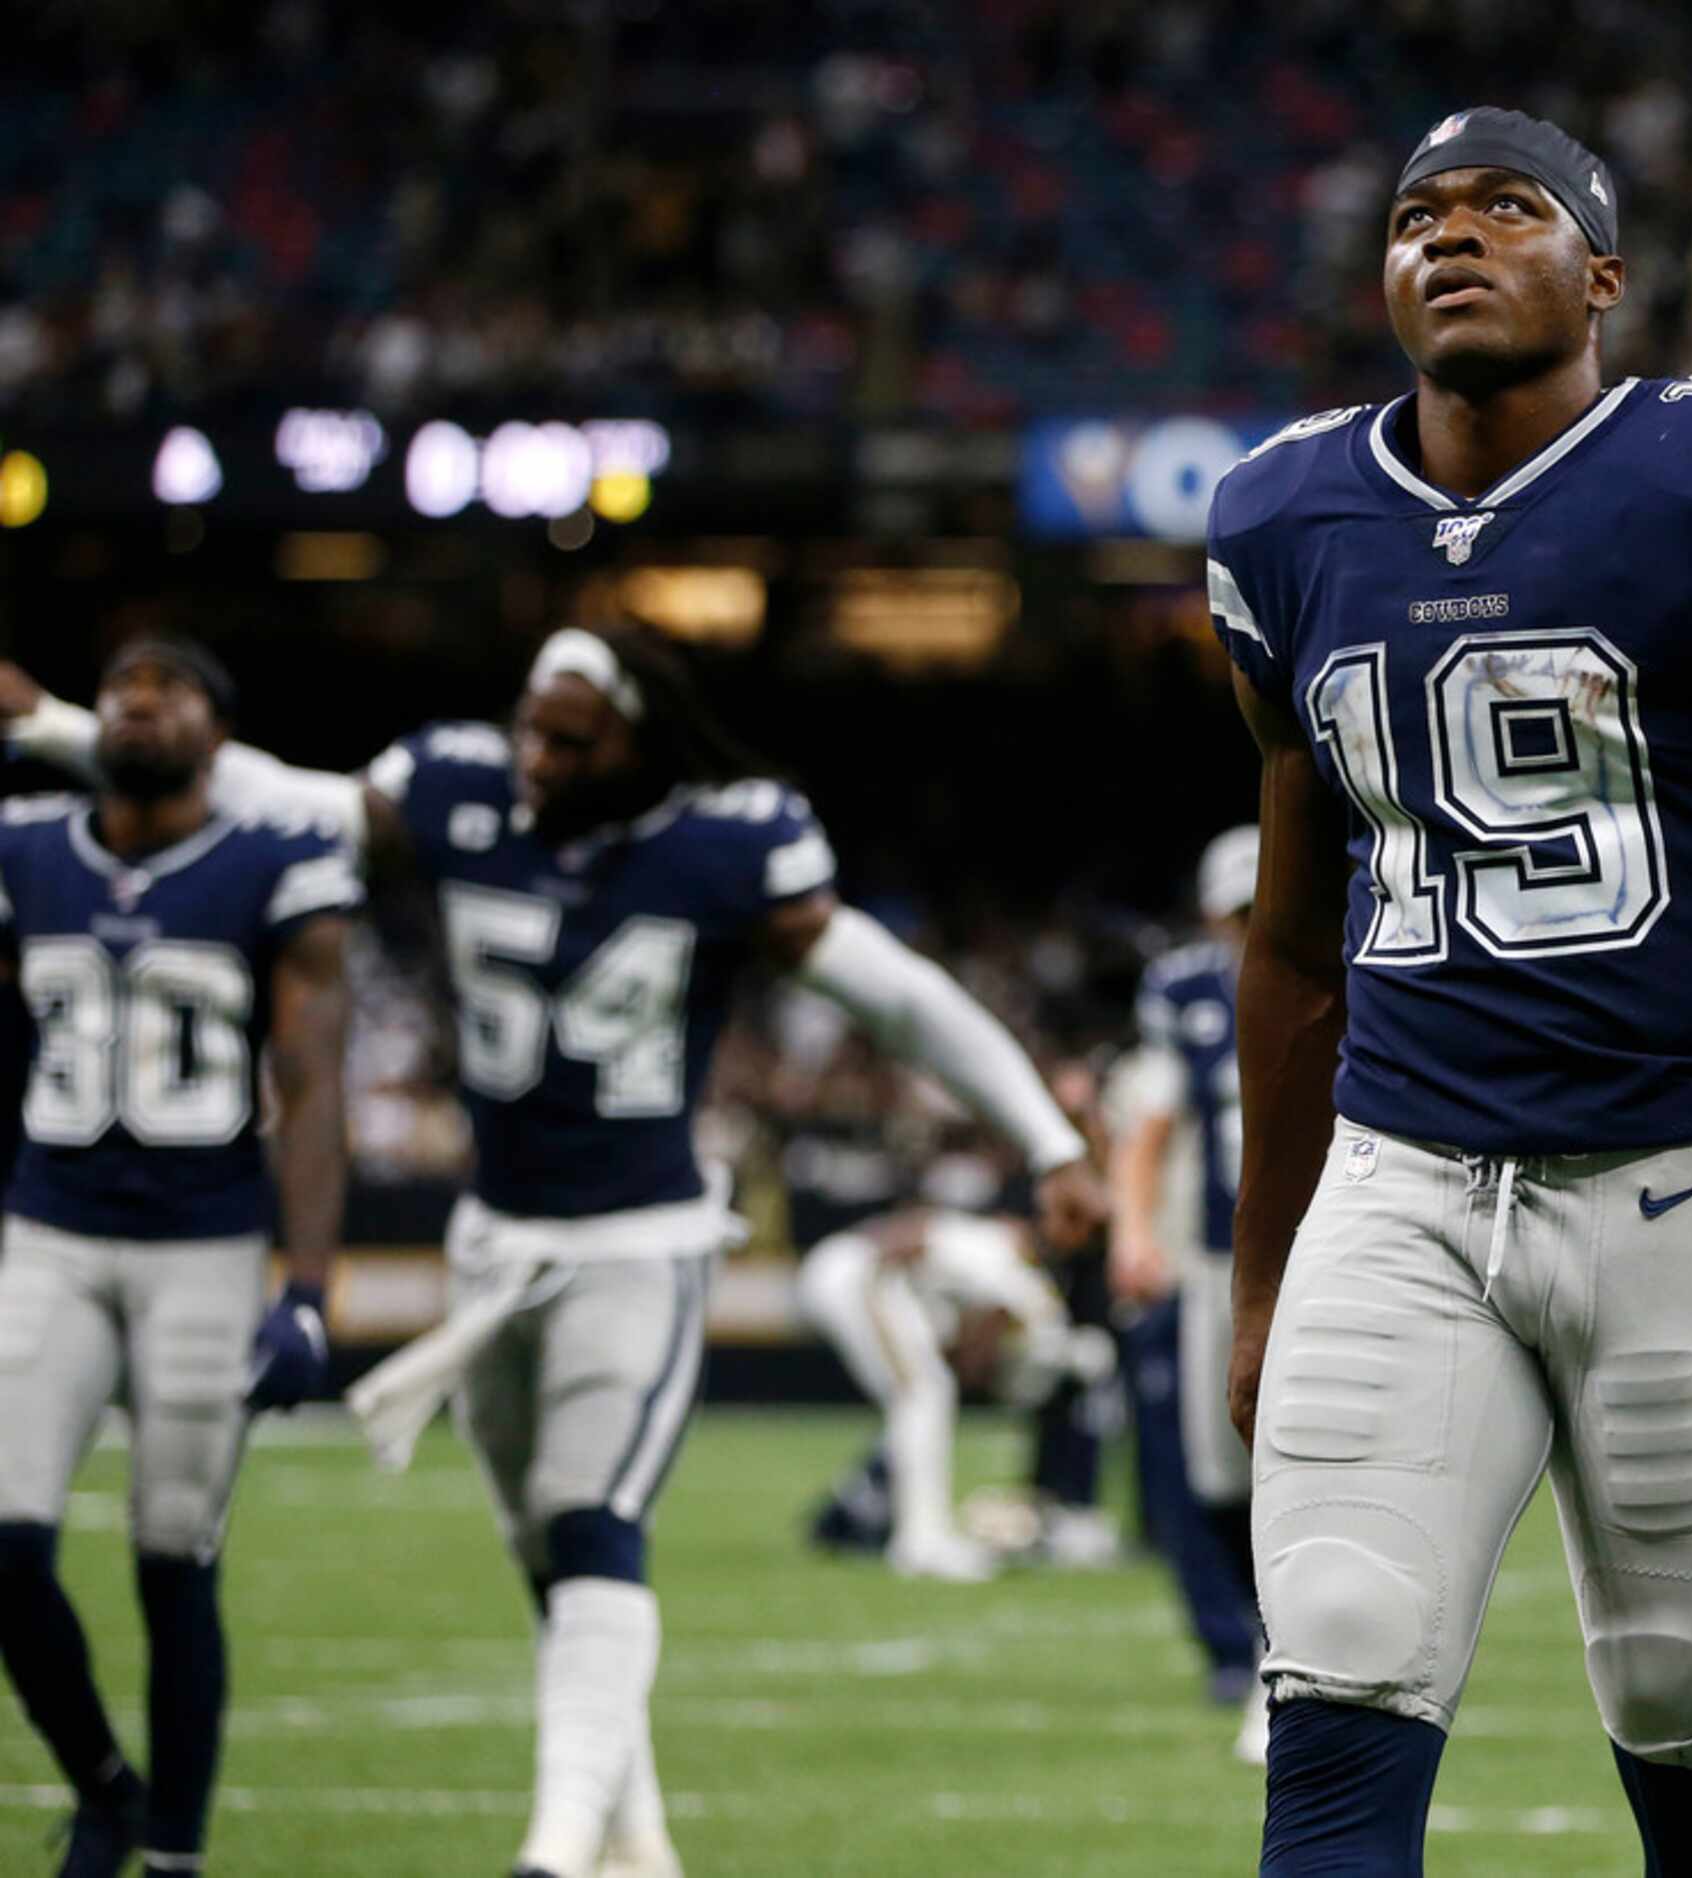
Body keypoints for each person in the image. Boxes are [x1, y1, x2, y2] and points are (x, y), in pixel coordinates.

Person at [1, 627, 1105, 1878]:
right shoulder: (463, 792)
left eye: (569, 740)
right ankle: (636, 1844)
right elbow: (274, 792)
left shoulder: (727, 839)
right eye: (528, 726)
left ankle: (557, 1849)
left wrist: (1046, 1136)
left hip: (639, 1241)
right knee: (549, 1556)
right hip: (495, 1244)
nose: (535, 758)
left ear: (639, 741)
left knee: (593, 1528)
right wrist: (52, 726)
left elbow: (897, 997)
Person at [1208, 106, 1692, 1875]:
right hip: (1401, 1197)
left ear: (1601, 274)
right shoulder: (1288, 515)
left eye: (1505, 208)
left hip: (1671, 1191)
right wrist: (1257, 1280)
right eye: (1414, 216)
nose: (1447, 238)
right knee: (1335, 1710)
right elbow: (1294, 944)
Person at [0, 640, 356, 1878]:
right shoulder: (26, 848)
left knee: (171, 1553)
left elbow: (309, 1083)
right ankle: (103, 1783)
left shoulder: (274, 863)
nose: (140, 709)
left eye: (172, 695)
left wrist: (307, 1289)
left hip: (203, 1243)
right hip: (51, 1225)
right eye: (121, 695)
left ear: (221, 733)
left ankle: (173, 1854)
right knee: (5, 1538)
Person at [1109, 826, 1266, 1759]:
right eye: (1241, 912)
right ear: (1216, 915)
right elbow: (1152, 1121)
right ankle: (1255, 1642)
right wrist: (1135, 1230)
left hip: (1333, 1253)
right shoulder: (1187, 992)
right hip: (1219, 1261)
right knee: (1216, 1472)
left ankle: (1291, 1663)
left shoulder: (1359, 967)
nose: (1255, 926)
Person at [795, 1205, 1113, 1581]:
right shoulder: (997, 1257)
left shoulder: (997, 1258)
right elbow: (901, 1247)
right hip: (857, 1273)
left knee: (923, 1395)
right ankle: (921, 1541)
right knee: (925, 1392)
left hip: (861, 1274)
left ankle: (875, 1509)